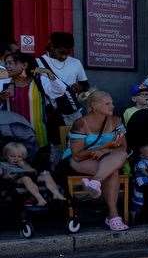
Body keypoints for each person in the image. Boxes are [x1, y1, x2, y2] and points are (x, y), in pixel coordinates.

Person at [66, 88, 129, 232]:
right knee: (113, 172)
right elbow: (77, 155)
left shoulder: (116, 120)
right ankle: (113, 217)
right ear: (94, 106)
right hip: (81, 159)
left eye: (112, 103)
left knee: (121, 156)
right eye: (107, 104)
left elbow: (123, 147)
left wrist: (105, 150)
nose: (112, 106)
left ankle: (95, 182)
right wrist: (100, 149)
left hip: (108, 157)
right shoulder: (80, 123)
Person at [1, 51, 56, 150]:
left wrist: (48, 73)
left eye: (11, 63)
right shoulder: (5, 83)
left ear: (24, 65)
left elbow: (58, 93)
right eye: (6, 63)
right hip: (13, 139)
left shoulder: (39, 81)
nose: (7, 66)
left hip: (39, 137)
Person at [1, 141, 63, 206]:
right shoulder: (4, 165)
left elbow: (33, 171)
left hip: (30, 177)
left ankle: (56, 193)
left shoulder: (24, 163)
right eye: (12, 156)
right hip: (16, 179)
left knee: (46, 174)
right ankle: (40, 199)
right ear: (6, 155)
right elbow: (3, 176)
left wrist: (23, 166)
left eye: (19, 157)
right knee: (26, 178)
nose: (16, 159)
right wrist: (7, 176)